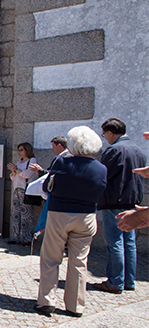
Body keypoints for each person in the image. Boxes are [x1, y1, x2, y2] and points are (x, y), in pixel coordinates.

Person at [34, 126, 107, 318]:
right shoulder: (101, 168)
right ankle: (75, 305)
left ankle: (47, 301)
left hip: (60, 213)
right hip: (86, 215)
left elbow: (47, 186)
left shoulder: (62, 163)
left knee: (50, 257)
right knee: (79, 261)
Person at [93, 118, 146, 294]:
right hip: (132, 202)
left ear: (110, 133)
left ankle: (115, 282)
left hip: (115, 201)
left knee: (114, 241)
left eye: (104, 134)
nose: (105, 138)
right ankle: (129, 280)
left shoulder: (114, 149)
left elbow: (103, 175)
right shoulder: (138, 149)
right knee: (129, 243)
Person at [6, 142, 38, 245]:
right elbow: (13, 177)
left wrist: (16, 170)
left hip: (26, 190)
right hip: (17, 190)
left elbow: (28, 174)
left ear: (27, 150)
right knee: (16, 214)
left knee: (26, 215)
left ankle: (27, 238)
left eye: (21, 150)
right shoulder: (19, 163)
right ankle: (15, 236)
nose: (19, 152)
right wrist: (14, 171)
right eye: (18, 150)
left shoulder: (32, 161)